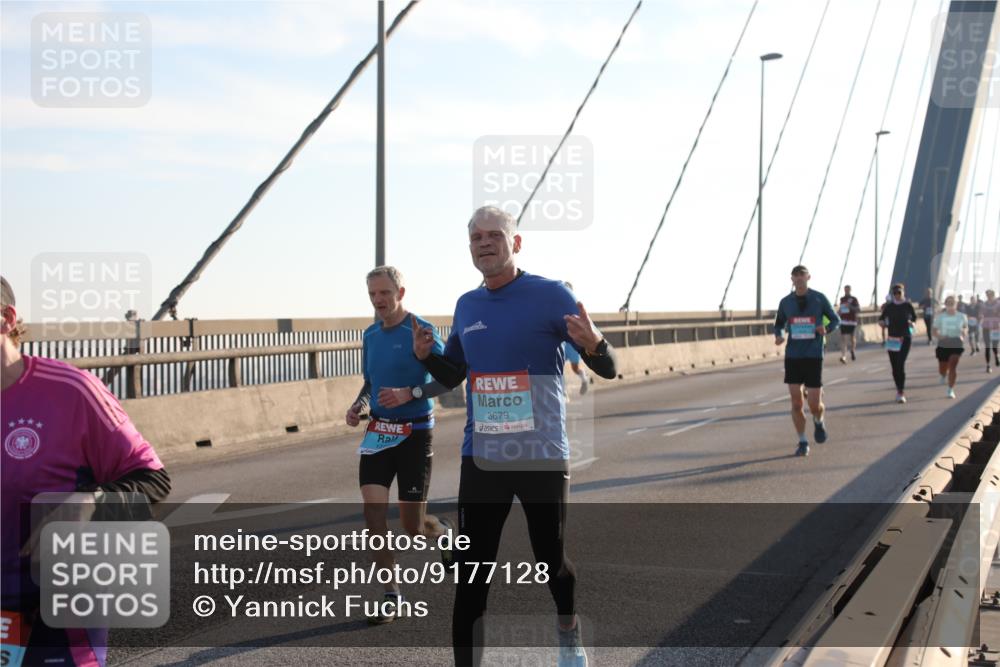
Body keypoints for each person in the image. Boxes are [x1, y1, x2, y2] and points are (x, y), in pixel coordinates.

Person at [413, 206, 618, 667]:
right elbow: (455, 373)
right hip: (482, 457)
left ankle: (567, 629)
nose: (484, 243)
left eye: (493, 236)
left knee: (552, 561)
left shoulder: (552, 295)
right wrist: (427, 357)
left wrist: (594, 344)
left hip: (541, 456)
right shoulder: (467, 305)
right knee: (472, 574)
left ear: (516, 243)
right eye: (475, 238)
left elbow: (609, 367)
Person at [1, 276, 171, 667]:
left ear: (7, 319)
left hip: (55, 616)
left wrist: (89, 502)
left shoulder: (70, 391)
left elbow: (153, 481)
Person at [345, 266, 453, 624]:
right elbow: (369, 381)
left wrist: (411, 392)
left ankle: (441, 532)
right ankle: (391, 595)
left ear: (400, 293)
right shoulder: (371, 335)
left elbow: (448, 379)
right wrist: (359, 404)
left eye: (384, 294)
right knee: (373, 515)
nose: (378, 301)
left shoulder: (420, 331)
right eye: (373, 295)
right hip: (378, 433)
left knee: (413, 526)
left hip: (415, 434)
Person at [773, 265, 841, 457]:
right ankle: (802, 441)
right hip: (793, 355)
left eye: (802, 275)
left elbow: (835, 320)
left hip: (813, 355)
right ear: (792, 279)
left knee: (813, 404)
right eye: (796, 276)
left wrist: (825, 329)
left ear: (808, 277)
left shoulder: (819, 298)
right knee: (796, 403)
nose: (799, 278)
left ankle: (818, 421)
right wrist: (779, 335)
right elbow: (779, 324)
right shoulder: (785, 302)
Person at [879, 283, 917, 404]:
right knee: (894, 367)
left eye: (899, 293)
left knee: (900, 363)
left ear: (903, 293)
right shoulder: (889, 307)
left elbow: (915, 317)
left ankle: (901, 391)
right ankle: (898, 388)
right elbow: (881, 318)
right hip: (892, 339)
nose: (897, 295)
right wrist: (882, 323)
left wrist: (912, 323)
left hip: (905, 337)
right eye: (895, 293)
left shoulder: (907, 305)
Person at [932, 295, 968, 399]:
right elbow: (934, 331)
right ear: (945, 304)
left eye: (952, 303)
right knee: (942, 367)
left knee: (953, 365)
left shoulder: (962, 316)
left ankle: (950, 389)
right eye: (948, 303)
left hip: (956, 341)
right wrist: (939, 336)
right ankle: (943, 375)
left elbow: (965, 327)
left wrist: (964, 332)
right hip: (944, 342)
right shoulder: (940, 317)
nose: (950, 305)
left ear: (956, 304)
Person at [562, 282, 589, 395]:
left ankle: (584, 379)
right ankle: (563, 392)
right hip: (562, 341)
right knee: (557, 368)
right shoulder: (557, 303)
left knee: (575, 368)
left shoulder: (576, 305)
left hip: (573, 341)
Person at [837, 285, 861, 363]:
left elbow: (858, 309)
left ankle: (852, 350)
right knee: (843, 338)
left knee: (852, 338)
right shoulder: (842, 299)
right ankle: (843, 356)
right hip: (843, 321)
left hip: (852, 321)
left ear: (850, 290)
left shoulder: (854, 299)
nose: (846, 291)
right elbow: (841, 309)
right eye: (845, 289)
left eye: (848, 289)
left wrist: (850, 306)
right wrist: (838, 313)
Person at [981, 289, 1000, 373]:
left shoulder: (998, 304)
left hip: (995, 326)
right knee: (987, 346)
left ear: (993, 295)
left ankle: (997, 356)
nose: (989, 297)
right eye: (987, 295)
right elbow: (980, 313)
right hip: (986, 326)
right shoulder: (984, 304)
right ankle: (988, 366)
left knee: (994, 346)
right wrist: (980, 315)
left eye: (990, 295)